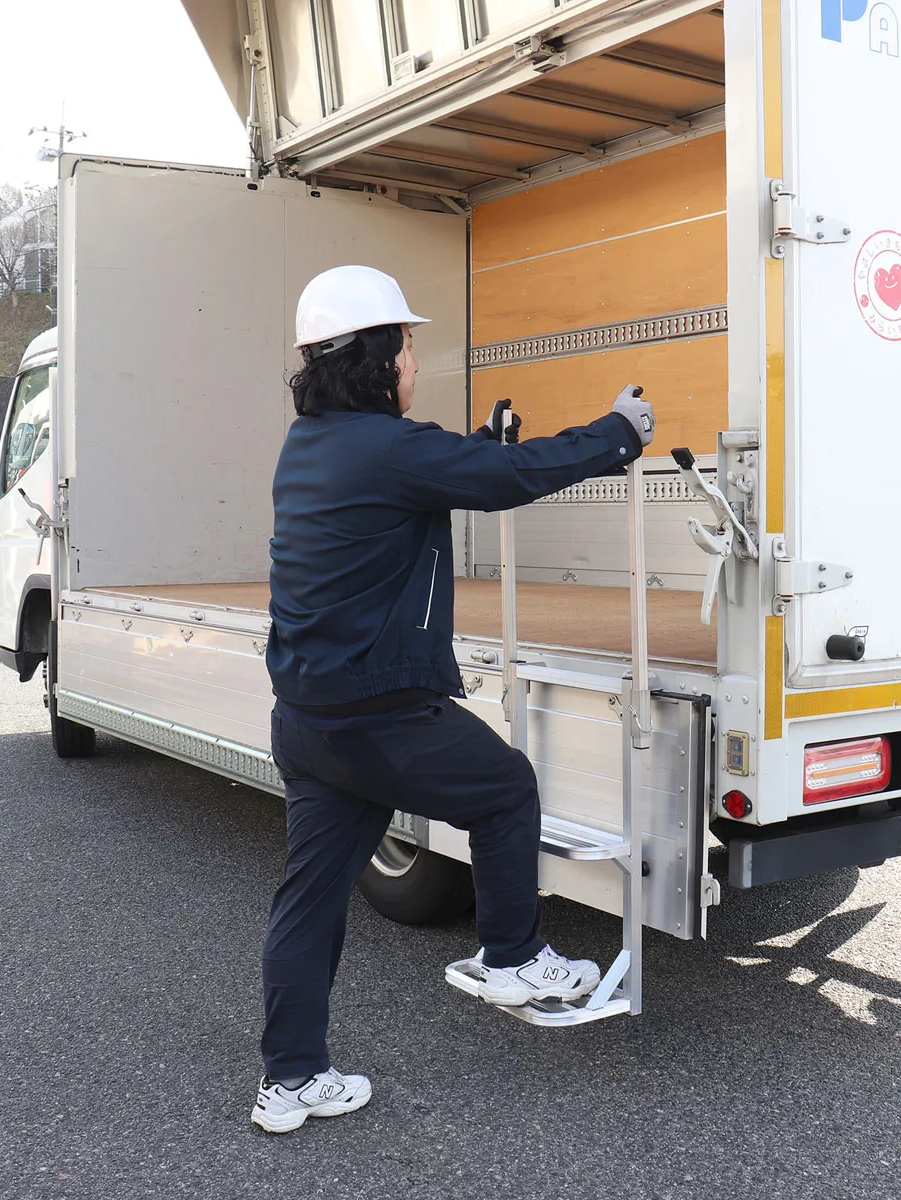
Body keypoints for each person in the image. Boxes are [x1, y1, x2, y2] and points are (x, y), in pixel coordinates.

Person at [252, 265, 655, 1134]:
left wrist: (481, 440)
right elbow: (504, 480)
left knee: (309, 904)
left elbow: (441, 475)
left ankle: (290, 1082)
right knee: (505, 789)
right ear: (371, 355)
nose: (414, 359)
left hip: (309, 718)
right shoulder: (390, 447)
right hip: (382, 712)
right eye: (406, 343)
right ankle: (512, 957)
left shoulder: (314, 444)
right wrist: (618, 432)